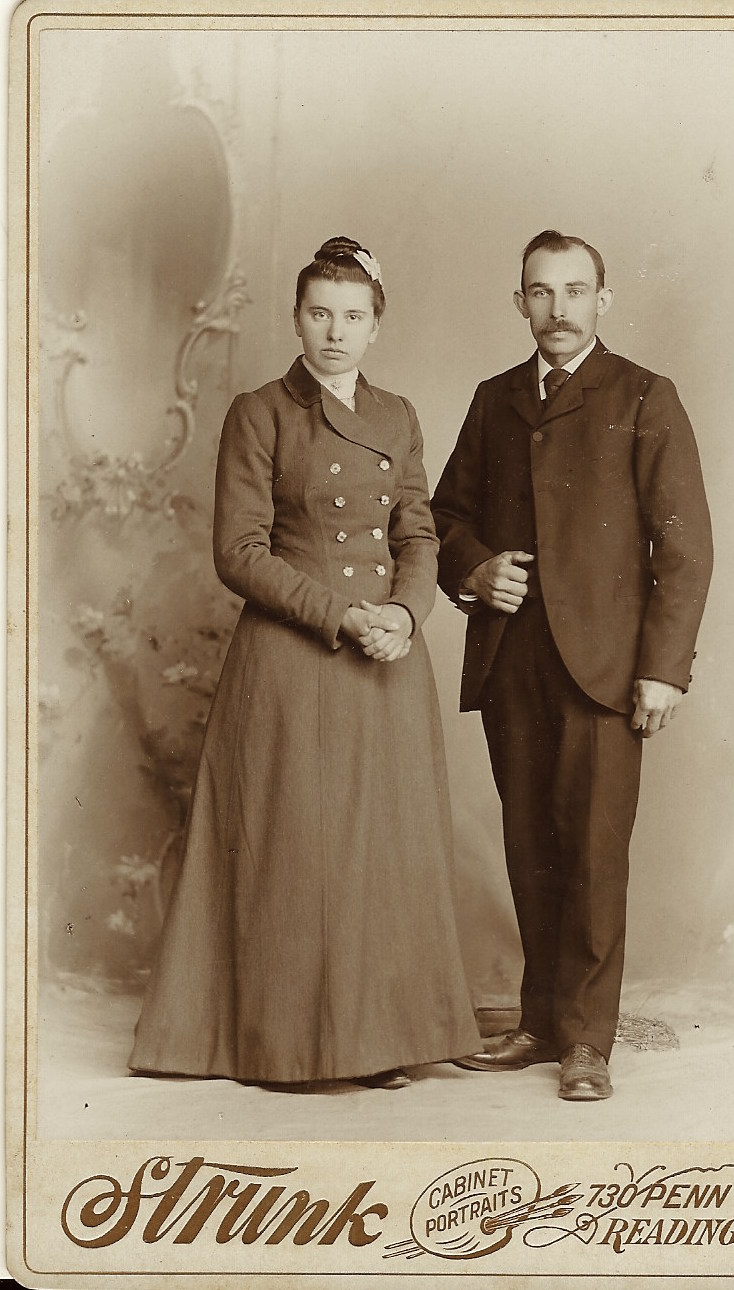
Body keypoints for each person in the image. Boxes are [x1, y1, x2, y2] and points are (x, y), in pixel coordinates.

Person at [130, 237, 480, 1091]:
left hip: (387, 656)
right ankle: (289, 1046)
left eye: (353, 316)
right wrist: (342, 615)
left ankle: (378, 1039)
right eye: (320, 313)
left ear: (375, 326)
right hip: (296, 655)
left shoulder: (397, 415)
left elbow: (418, 533)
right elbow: (239, 552)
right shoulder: (260, 412)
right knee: (299, 853)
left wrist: (406, 612)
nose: (335, 332)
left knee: (381, 849)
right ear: (296, 318)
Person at [431, 230, 713, 1101]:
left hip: (606, 669)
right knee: (530, 849)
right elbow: (443, 519)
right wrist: (476, 568)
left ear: (603, 300)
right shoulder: (494, 399)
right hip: (514, 661)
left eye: (575, 291)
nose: (558, 309)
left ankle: (587, 1042)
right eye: (541, 292)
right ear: (520, 302)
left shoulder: (644, 394)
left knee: (592, 855)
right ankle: (542, 1022)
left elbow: (686, 549)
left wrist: (663, 668)